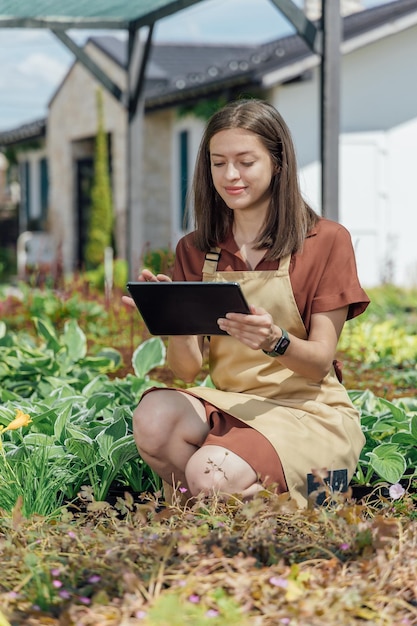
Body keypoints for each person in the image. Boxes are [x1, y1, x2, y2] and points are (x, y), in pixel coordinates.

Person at [123, 98, 370, 508]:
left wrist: (275, 340)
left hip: (308, 410)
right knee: (154, 417)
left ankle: (319, 491)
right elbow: (187, 370)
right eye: (218, 163)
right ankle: (221, 508)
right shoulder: (197, 248)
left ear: (278, 163)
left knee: (210, 471)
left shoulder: (326, 240)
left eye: (245, 161)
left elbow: (318, 363)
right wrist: (173, 318)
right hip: (234, 404)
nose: (230, 175)